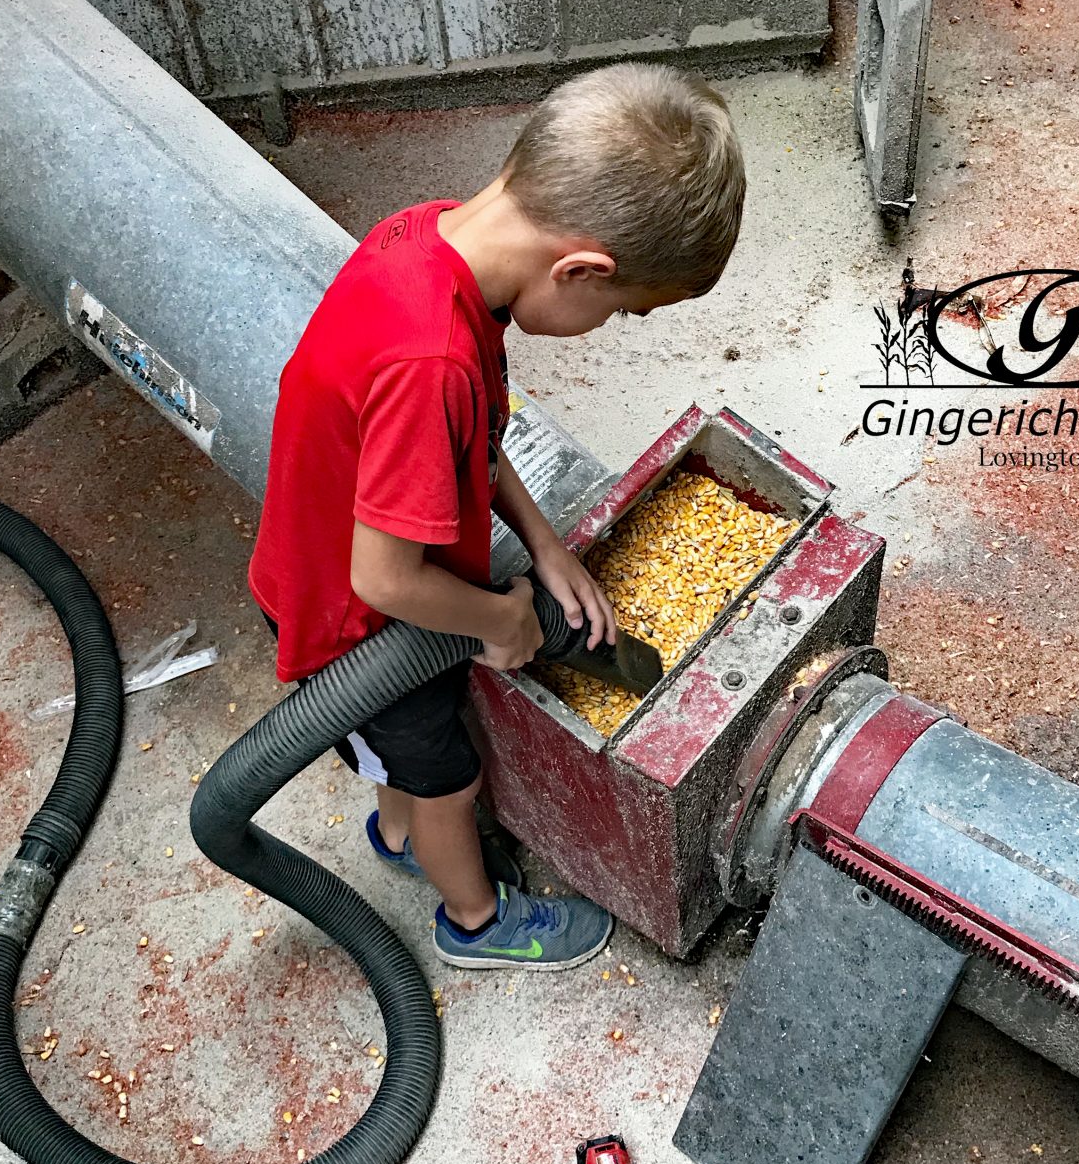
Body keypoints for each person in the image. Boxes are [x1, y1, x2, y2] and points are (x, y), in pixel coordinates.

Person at [249, 62, 745, 971]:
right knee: (448, 777)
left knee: (406, 764)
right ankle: (473, 920)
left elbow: (470, 435)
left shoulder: (432, 240)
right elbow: (386, 579)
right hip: (352, 627)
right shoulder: (429, 356)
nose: (615, 325)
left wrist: (546, 546)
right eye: (625, 311)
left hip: (353, 586)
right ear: (582, 269)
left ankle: (402, 836)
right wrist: (501, 619)